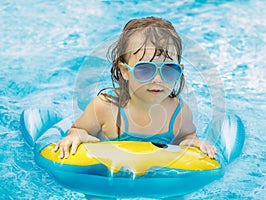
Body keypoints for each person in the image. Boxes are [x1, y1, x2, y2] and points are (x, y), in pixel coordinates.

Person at [54, 16, 217, 159]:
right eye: (145, 69)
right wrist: (77, 135)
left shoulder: (178, 111)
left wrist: (192, 142)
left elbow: (186, 137)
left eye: (168, 70)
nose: (158, 79)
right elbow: (80, 130)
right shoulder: (105, 107)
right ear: (125, 71)